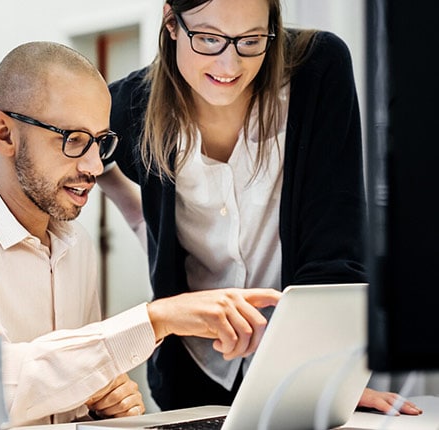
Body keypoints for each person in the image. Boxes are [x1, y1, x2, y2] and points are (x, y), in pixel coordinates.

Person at [0, 41, 282, 427]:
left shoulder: (76, 246)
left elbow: (63, 391)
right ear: (3, 134)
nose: (93, 166)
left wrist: (99, 401)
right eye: (73, 140)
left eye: (100, 142)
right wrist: (156, 319)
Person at [98, 0, 422, 417]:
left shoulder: (316, 70)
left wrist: (326, 372)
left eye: (252, 40)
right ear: (171, 23)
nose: (230, 64)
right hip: (193, 372)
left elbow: (336, 244)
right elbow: (78, 155)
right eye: (209, 39)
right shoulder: (132, 104)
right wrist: (144, 225)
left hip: (301, 363)